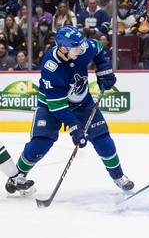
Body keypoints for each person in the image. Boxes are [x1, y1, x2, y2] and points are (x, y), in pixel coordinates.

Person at [9, 25, 134, 194]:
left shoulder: (82, 48)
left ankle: (119, 176)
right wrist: (75, 128)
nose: (81, 49)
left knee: (102, 139)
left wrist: (103, 69)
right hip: (51, 105)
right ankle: (18, 175)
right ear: (62, 49)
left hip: (82, 103)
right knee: (41, 142)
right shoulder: (51, 67)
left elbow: (97, 47)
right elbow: (58, 106)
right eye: (76, 48)